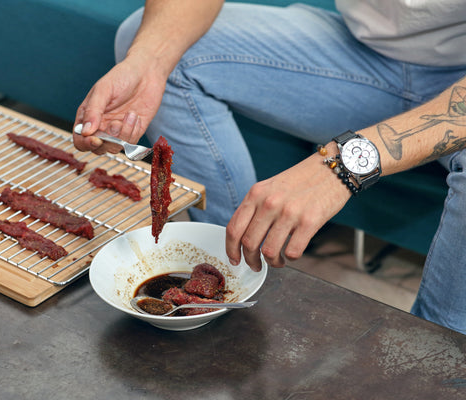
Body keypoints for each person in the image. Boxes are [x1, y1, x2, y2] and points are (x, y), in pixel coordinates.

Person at [73, 1, 466, 333]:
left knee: (439, 355)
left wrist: (343, 163)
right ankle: (239, 272)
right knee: (153, 46)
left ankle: (441, 354)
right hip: (368, 58)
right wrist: (148, 62)